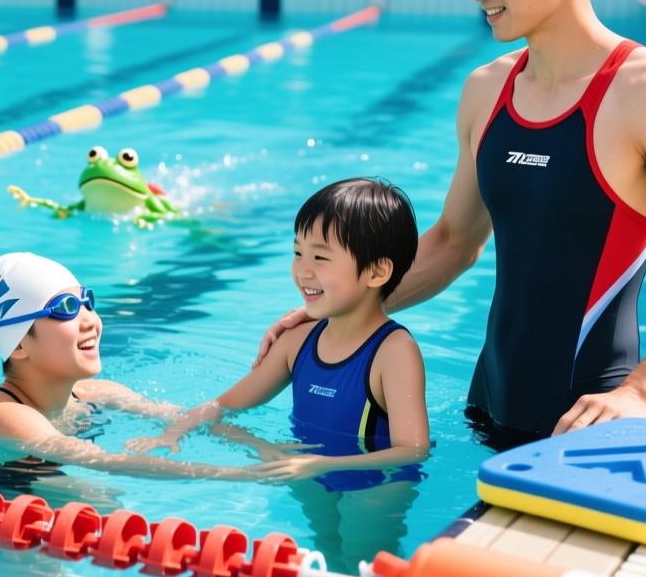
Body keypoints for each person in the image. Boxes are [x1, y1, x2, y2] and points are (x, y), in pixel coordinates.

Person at [257, 0, 646, 447]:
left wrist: (640, 393)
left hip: (586, 416)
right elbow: (453, 242)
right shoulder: (486, 90)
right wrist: (336, 308)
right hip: (488, 400)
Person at [128, 177, 429, 487]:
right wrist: (174, 432)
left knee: (362, 537)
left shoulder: (393, 352)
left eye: (321, 257)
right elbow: (223, 407)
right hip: (302, 472)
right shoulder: (297, 342)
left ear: (376, 272)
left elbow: (412, 450)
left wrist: (320, 464)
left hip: (376, 485)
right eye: (298, 253)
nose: (303, 271)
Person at [0, 250, 255, 481]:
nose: (90, 320)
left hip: (35, 477)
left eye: (86, 302)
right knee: (99, 500)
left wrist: (262, 449)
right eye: (66, 309)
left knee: (98, 502)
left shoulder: (95, 392)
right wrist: (238, 473)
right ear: (19, 344)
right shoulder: (2, 412)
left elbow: (185, 417)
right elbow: (108, 461)